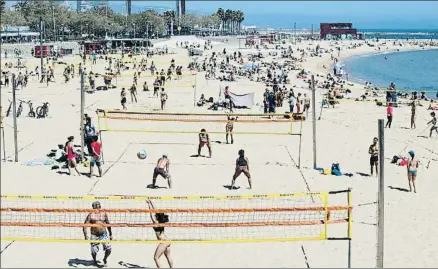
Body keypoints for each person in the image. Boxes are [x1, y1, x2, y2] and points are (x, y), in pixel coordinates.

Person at [83, 201, 113, 267]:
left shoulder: (104, 214)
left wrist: (110, 234)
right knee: (94, 251)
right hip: (94, 235)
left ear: (100, 207)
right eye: (95, 207)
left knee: (109, 249)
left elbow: (108, 224)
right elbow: (85, 225)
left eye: (98, 207)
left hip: (103, 234)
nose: (97, 208)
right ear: (93, 208)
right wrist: (85, 235)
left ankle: (105, 259)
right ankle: (94, 260)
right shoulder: (90, 215)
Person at [146, 200, 173, 268]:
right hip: (167, 240)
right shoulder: (161, 221)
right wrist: (151, 202)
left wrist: (149, 205)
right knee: (168, 256)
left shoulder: (155, 222)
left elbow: (151, 213)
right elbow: (156, 210)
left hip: (163, 242)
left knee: (156, 258)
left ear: (157, 217)